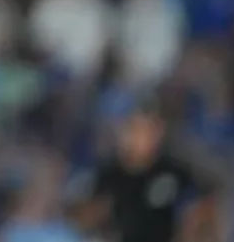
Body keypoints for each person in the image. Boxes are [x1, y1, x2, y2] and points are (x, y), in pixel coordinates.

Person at [71, 96, 222, 242]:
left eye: (151, 129)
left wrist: (191, 226)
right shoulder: (106, 173)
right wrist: (95, 214)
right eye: (137, 128)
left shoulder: (172, 170)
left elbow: (206, 201)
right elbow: (80, 218)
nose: (144, 136)